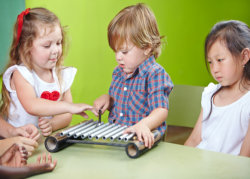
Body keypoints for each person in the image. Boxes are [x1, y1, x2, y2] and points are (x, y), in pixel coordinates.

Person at [0, 8, 98, 137]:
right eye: (47, 46)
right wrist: (69, 106)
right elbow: (32, 105)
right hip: (16, 139)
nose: (56, 50)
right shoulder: (21, 73)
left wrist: (52, 124)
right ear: (27, 47)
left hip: (41, 141)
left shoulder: (62, 75)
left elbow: (66, 115)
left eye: (58, 43)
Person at [94, 3, 173, 148]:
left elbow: (160, 110)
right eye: (115, 51)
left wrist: (144, 124)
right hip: (118, 140)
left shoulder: (155, 74)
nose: (118, 57)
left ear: (147, 47)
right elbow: (121, 103)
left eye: (124, 52)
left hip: (144, 143)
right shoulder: (118, 72)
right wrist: (108, 100)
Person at [185, 20, 250, 157]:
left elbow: (245, 159)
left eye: (220, 60)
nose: (214, 69)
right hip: (199, 166)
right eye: (210, 62)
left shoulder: (247, 102)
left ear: (244, 56)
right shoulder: (211, 94)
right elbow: (195, 140)